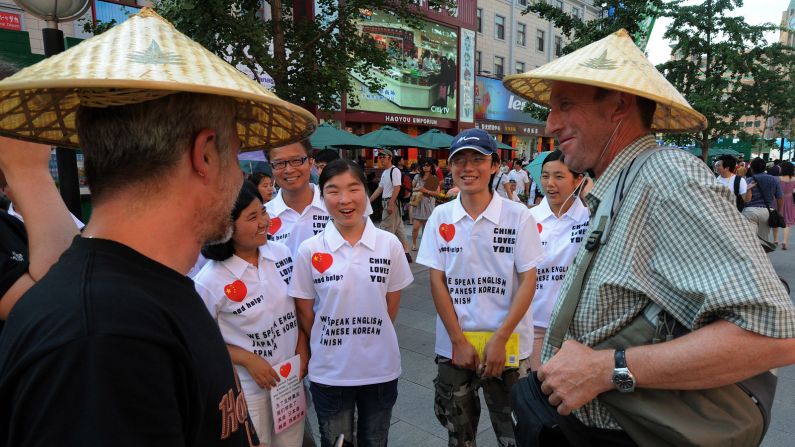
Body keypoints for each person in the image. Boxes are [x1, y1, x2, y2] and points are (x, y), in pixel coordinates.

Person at [0, 8, 316, 446]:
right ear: (205, 155)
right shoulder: (102, 339)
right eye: (236, 155)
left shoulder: (146, 293)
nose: (241, 183)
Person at [502, 28, 795, 443]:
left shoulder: (666, 177)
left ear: (619, 105)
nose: (550, 123)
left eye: (565, 104)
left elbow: (774, 336)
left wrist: (607, 369)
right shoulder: (620, 185)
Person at [416, 128, 543, 447]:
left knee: (514, 433)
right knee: (459, 434)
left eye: (477, 159)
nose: (468, 167)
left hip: (509, 348)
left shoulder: (518, 217)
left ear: (494, 166)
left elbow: (529, 279)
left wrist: (501, 338)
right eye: (459, 160)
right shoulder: (441, 217)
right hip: (455, 349)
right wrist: (457, 340)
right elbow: (437, 281)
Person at [290, 159, 413, 447]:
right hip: (330, 371)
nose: (344, 200)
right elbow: (306, 312)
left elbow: (390, 308)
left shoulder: (389, 245)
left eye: (353, 189)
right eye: (333, 191)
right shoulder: (310, 250)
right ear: (322, 197)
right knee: (336, 442)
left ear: (365, 191)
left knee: (375, 440)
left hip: (380, 369)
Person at [195, 180, 307, 446]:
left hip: (289, 380)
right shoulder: (209, 281)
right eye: (252, 217)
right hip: (247, 389)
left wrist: (303, 348)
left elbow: (297, 308)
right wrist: (247, 359)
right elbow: (200, 342)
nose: (264, 222)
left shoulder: (280, 253)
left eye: (264, 212)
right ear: (226, 226)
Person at [527, 151, 589, 371]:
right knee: (538, 390)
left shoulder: (591, 218)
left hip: (578, 327)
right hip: (536, 324)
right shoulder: (528, 219)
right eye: (545, 176)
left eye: (559, 177)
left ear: (578, 179)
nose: (550, 184)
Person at [369, 149, 411, 262]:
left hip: (391, 203)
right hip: (389, 202)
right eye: (380, 157)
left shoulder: (395, 170)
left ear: (390, 158)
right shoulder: (385, 172)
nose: (382, 158)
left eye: (384, 156)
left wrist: (391, 204)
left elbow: (397, 187)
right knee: (399, 229)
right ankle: (406, 254)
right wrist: (369, 200)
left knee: (385, 229)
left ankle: (386, 254)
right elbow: (380, 188)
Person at [743, 157, 783, 243]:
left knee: (749, 240)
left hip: (750, 211)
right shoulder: (774, 180)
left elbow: (745, 199)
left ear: (752, 169)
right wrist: (779, 212)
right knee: (763, 242)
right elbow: (779, 197)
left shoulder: (748, 180)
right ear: (765, 168)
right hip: (767, 212)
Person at [410, 157, 440, 251]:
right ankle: (414, 244)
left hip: (428, 204)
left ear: (431, 167)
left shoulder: (434, 178)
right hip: (418, 203)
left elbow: (437, 193)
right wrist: (417, 189)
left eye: (427, 165)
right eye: (423, 165)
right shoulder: (417, 177)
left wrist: (425, 190)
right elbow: (412, 188)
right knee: (415, 227)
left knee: (426, 229)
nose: (425, 167)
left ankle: (425, 246)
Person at [776, 161, 795, 249]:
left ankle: (775, 239)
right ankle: (785, 241)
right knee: (787, 222)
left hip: (778, 199)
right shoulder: (794, 179)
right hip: (789, 200)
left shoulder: (777, 178)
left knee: (776, 218)